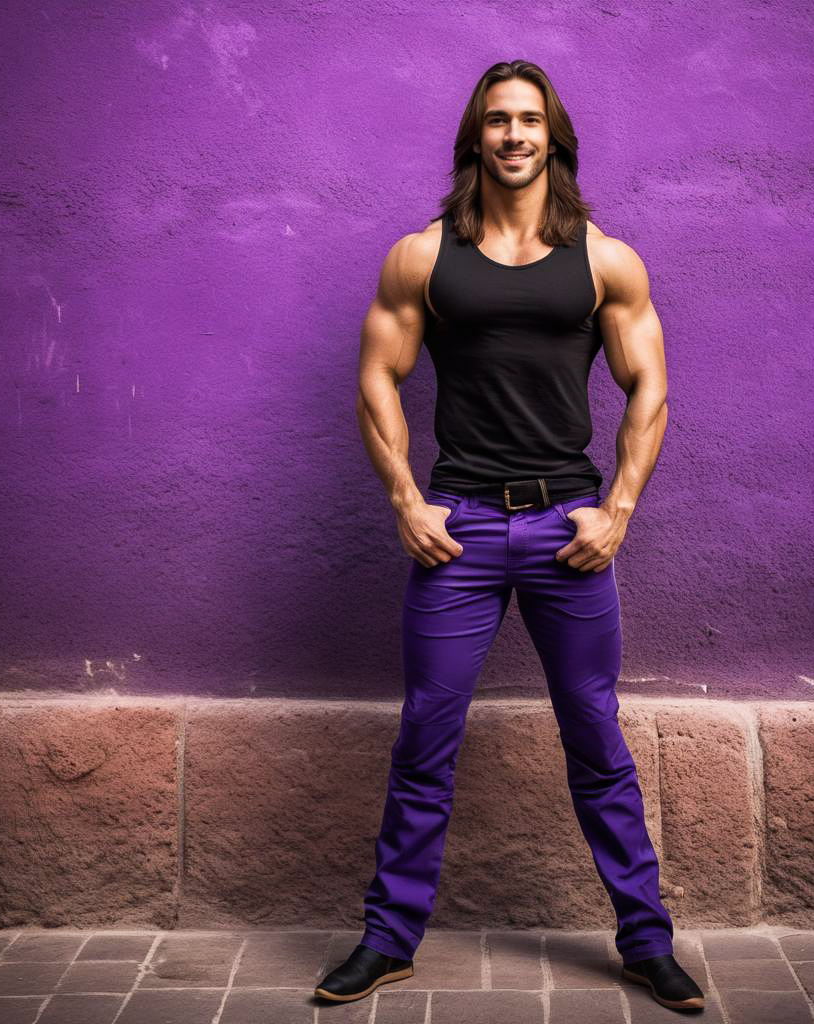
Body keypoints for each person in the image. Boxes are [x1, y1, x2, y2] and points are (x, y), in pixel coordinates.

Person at [315, 60, 704, 1013]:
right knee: (425, 740)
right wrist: (407, 499)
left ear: (554, 139)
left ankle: (647, 943)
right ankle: (389, 939)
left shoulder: (605, 259)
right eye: (499, 121)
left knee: (596, 738)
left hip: (567, 530)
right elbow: (376, 378)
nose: (515, 135)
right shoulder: (422, 256)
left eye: (531, 121)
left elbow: (648, 385)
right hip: (464, 530)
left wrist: (617, 508)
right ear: (476, 139)